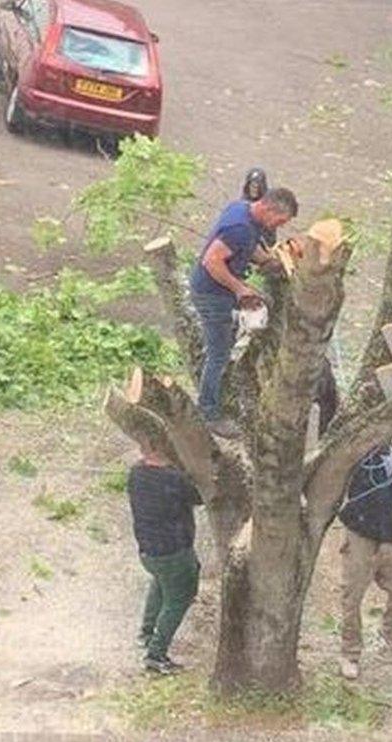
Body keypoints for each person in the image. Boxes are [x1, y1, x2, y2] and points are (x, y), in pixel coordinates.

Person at [189, 187, 299, 439]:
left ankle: (223, 369)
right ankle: (209, 413)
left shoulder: (244, 211)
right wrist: (240, 289)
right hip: (211, 294)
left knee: (253, 316)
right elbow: (212, 261)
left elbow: (249, 246)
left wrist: (267, 261)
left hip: (219, 291)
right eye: (279, 221)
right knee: (219, 354)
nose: (278, 227)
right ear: (269, 209)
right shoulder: (238, 226)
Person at [337, 442, 392, 680]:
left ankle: (389, 632)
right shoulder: (357, 453)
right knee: (352, 597)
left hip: (388, 533)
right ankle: (350, 653)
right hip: (360, 532)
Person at [126, 437, 203, 675]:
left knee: (161, 582)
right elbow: (199, 496)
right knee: (180, 596)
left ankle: (147, 633)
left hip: (148, 550)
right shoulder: (175, 480)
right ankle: (156, 655)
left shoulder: (136, 473)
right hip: (174, 550)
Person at [241, 167, 278, 250]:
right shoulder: (243, 203)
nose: (254, 190)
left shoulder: (268, 203)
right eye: (252, 186)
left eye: (257, 187)